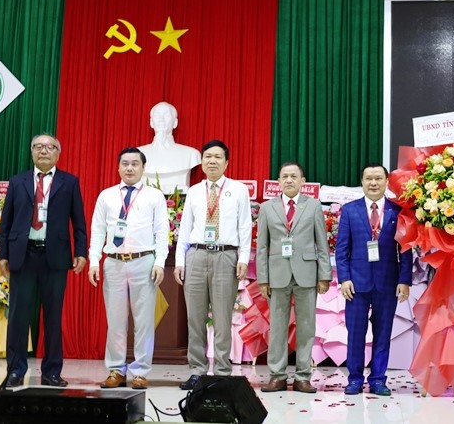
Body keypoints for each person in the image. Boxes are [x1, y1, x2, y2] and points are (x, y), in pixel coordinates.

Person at [0, 134, 87, 388]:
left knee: (53, 317)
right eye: (38, 147)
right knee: (18, 317)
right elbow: (6, 222)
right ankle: (15, 370)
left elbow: (78, 222)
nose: (44, 151)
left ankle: (51, 372)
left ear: (58, 152)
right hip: (23, 255)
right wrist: (3, 254)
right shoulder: (18, 181)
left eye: (49, 147)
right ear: (32, 152)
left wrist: (81, 251)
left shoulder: (69, 182)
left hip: (55, 257)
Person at [87, 147, 169, 389]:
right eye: (125, 163)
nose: (130, 168)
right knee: (115, 321)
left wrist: (159, 262)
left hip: (143, 261)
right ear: (118, 167)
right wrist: (94, 261)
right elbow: (97, 230)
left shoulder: (154, 196)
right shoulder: (107, 196)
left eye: (135, 164)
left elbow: (162, 232)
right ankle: (116, 370)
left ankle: (140, 372)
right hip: (113, 262)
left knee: (143, 322)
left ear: (143, 168)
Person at [173, 140, 251, 390]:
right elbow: (185, 228)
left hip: (225, 256)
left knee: (222, 318)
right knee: (194, 318)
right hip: (196, 255)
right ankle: (196, 370)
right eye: (208, 157)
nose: (212, 161)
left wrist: (243, 258)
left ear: (226, 162)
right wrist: (179, 261)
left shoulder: (239, 190)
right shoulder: (194, 190)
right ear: (202, 162)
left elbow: (245, 227)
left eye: (218, 157)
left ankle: (222, 372)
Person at [335, 163, 413, 396]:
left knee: (382, 334)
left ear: (387, 181)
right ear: (362, 182)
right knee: (355, 333)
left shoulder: (398, 211)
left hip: (387, 283)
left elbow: (405, 250)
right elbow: (342, 249)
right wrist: (344, 279)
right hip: (356, 285)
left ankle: (378, 379)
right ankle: (355, 379)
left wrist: (404, 280)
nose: (373, 183)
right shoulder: (350, 211)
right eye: (369, 178)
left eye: (378, 178)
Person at [256, 162, 332, 393]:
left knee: (307, 327)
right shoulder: (267, 208)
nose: (289, 180)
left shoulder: (314, 205)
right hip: (277, 274)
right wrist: (263, 279)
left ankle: (302, 376)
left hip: (307, 274)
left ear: (302, 181)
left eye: (293, 176)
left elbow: (322, 243)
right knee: (278, 327)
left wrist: (324, 275)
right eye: (284, 176)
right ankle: (277, 376)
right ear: (278, 181)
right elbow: (261, 247)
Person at [137, 102, 202, 193]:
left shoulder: (191, 154)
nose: (161, 120)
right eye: (157, 115)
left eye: (166, 115)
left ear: (175, 122)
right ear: (151, 122)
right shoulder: (137, 154)